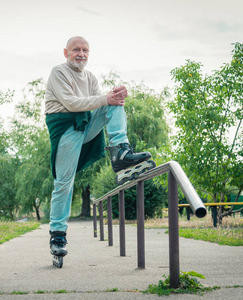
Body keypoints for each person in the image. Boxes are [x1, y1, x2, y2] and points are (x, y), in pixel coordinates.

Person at [44, 36, 152, 258]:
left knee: (115, 103)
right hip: (65, 129)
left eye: (85, 50)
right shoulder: (59, 72)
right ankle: (57, 234)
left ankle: (120, 151)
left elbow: (99, 103)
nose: (81, 54)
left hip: (85, 125)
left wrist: (114, 97)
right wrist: (106, 98)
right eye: (76, 50)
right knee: (64, 182)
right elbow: (72, 103)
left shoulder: (91, 77)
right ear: (66, 53)